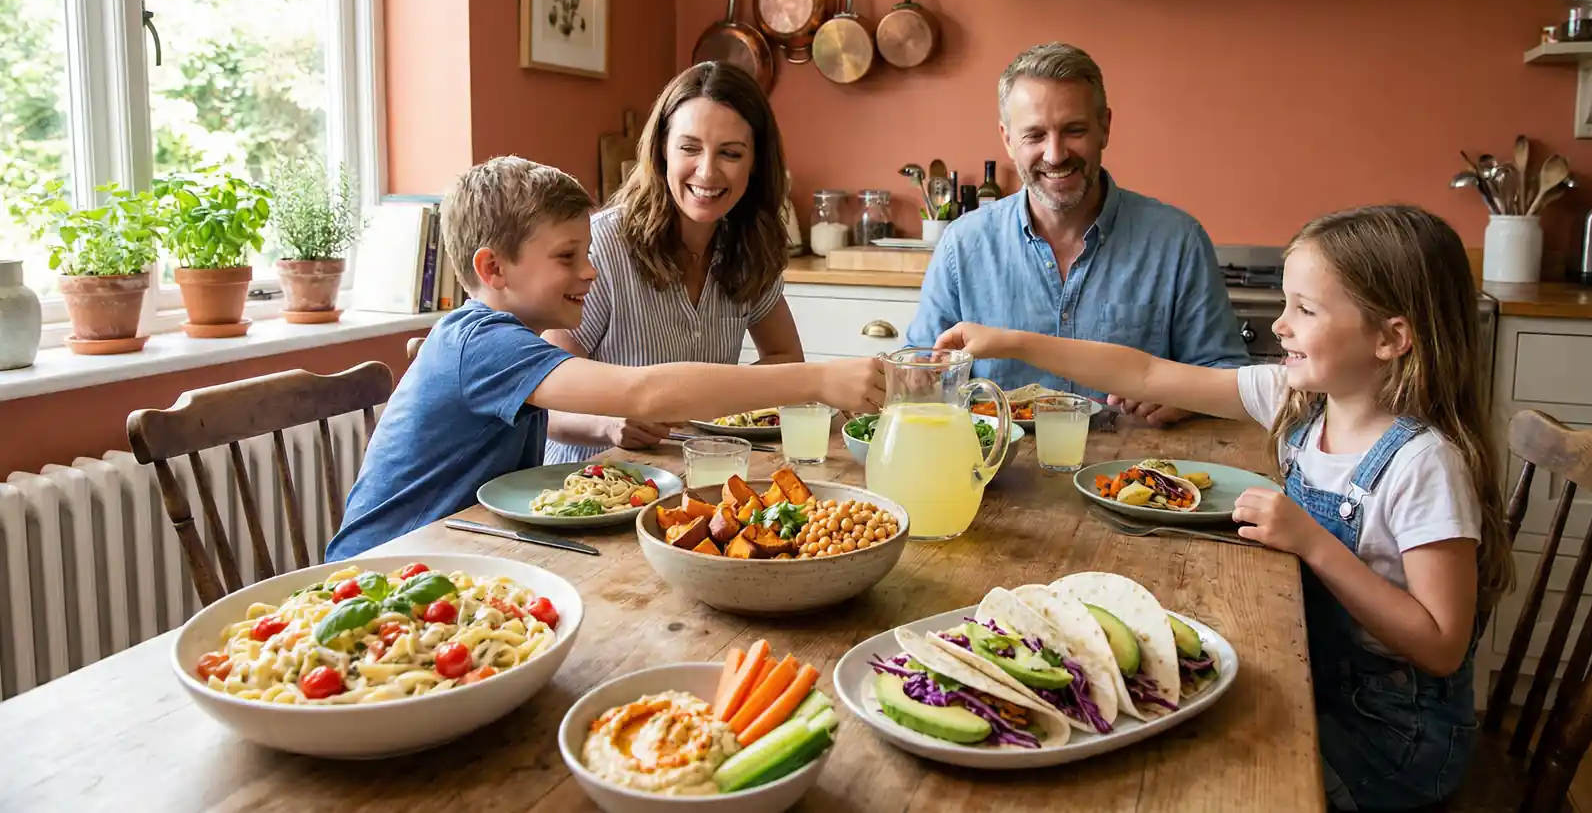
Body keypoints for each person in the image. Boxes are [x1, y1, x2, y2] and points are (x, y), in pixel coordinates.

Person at [935, 204, 1511, 811]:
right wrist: (1009, 341)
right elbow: (1147, 372)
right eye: (1286, 304)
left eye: (1305, 310)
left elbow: (1441, 642)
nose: (1281, 325)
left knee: (1189, 772)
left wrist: (1313, 541)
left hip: (1394, 738)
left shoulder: (1425, 464)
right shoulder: (1300, 400)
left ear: (1390, 338)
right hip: (1317, 676)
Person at [326, 157, 881, 560]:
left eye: (587, 253)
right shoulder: (481, 343)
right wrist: (818, 378)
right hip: (384, 566)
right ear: (493, 269)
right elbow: (645, 391)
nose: (589, 271)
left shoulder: (503, 338)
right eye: (567, 257)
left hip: (459, 550)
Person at [905, 42, 1248, 426]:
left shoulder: (1177, 241)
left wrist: (1186, 399)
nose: (1055, 154)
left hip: (1133, 474)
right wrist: (915, 375)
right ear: (1006, 139)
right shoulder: (962, 244)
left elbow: (1228, 375)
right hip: (998, 473)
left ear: (1104, 127)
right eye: (1034, 135)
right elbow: (920, 370)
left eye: (1074, 130)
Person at [543, 62, 802, 464]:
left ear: (755, 163)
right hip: (589, 487)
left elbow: (786, 360)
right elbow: (544, 395)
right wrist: (609, 424)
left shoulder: (749, 245)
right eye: (690, 148)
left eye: (730, 153)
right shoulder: (603, 248)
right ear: (662, 150)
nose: (707, 171)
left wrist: (729, 405)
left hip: (698, 474)